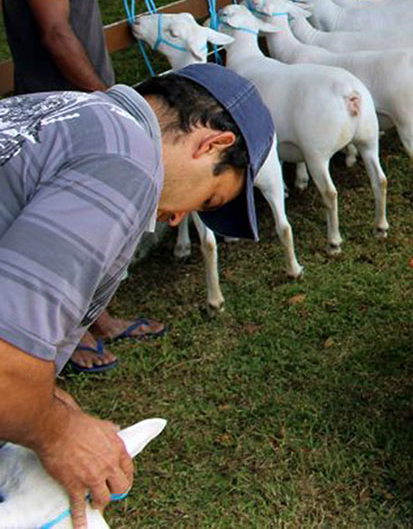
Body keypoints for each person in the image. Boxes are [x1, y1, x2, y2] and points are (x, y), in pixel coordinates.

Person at [0, 63, 275, 529]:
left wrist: (41, 402)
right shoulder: (125, 164)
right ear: (212, 144)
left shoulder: (56, 112)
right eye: (207, 200)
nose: (177, 219)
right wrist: (58, 434)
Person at [2, 0, 165, 374]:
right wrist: (107, 104)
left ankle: (99, 320)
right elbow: (55, 33)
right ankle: (67, 338)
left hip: (67, 104)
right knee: (71, 229)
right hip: (68, 110)